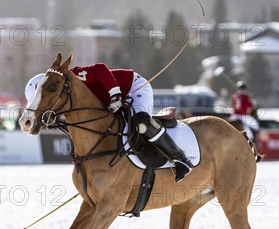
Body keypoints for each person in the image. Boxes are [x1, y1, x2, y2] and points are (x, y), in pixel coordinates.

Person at [26, 63, 194, 182]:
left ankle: (180, 159)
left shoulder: (75, 76)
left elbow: (100, 68)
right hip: (111, 102)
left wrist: (115, 94)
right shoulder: (66, 99)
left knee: (142, 123)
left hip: (134, 87)